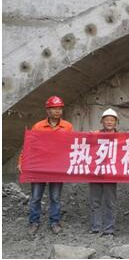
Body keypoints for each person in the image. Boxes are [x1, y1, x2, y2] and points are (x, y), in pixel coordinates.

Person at [25, 96, 73, 235]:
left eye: (59, 108)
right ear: (48, 110)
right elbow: (29, 145)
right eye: (54, 109)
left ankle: (54, 222)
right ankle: (33, 222)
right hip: (39, 167)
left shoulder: (67, 126)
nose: (57, 111)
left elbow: (71, 145)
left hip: (57, 167)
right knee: (35, 197)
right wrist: (22, 162)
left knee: (55, 197)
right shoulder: (38, 126)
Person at [89, 108, 119, 236]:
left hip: (111, 173)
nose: (109, 122)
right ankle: (95, 227)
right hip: (96, 172)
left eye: (112, 120)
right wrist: (90, 137)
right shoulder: (94, 135)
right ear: (102, 121)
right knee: (95, 200)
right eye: (107, 119)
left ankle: (109, 229)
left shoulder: (121, 137)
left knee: (110, 202)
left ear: (116, 122)